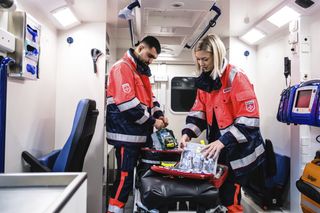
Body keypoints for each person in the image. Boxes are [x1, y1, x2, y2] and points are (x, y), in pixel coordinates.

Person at [180, 34, 265, 212]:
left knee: (230, 199)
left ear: (217, 55)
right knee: (213, 196)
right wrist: (187, 133)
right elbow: (199, 112)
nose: (201, 63)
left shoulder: (236, 77)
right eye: (198, 59)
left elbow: (249, 120)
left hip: (239, 150)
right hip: (219, 148)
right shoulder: (205, 82)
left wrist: (222, 141)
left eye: (205, 59)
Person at [106, 36, 168, 213]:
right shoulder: (121, 68)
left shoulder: (140, 72)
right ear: (140, 48)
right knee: (125, 179)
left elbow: (150, 99)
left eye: (153, 59)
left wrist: (160, 115)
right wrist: (153, 122)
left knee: (146, 176)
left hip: (140, 136)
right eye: (149, 55)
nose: (150, 61)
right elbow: (128, 106)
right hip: (126, 136)